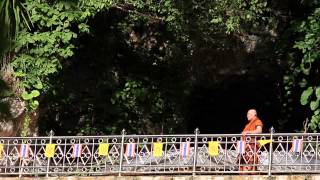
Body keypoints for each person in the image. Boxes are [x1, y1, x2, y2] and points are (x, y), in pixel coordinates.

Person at [239, 109, 263, 173]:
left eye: (248, 114)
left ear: (254, 114)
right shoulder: (248, 124)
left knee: (250, 166)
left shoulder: (257, 121)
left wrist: (248, 132)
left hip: (251, 147)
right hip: (244, 147)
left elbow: (259, 131)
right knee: (242, 165)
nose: (247, 116)